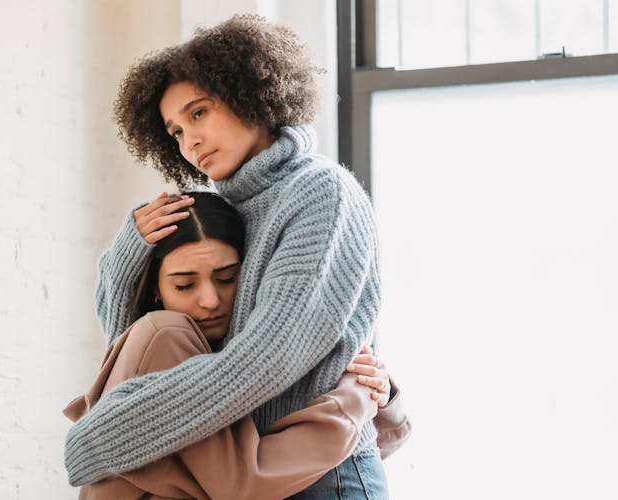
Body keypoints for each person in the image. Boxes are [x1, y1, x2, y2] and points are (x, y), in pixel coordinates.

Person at [65, 14, 410, 498]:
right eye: (176, 131)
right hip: (253, 469)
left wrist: (112, 432)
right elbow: (137, 348)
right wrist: (130, 251)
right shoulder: (229, 209)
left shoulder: (319, 192)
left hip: (324, 478)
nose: (190, 142)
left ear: (250, 93)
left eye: (199, 113)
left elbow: (268, 358)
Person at [63, 192, 399, 499]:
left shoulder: (212, 350)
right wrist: (355, 399)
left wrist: (380, 391)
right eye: (184, 285)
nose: (210, 300)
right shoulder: (166, 334)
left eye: (227, 278)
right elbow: (245, 482)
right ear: (157, 289)